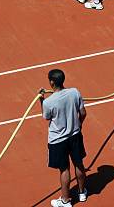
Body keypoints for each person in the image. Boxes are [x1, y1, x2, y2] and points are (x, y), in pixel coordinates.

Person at [39, 69, 88, 207]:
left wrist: (41, 100)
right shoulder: (75, 92)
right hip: (75, 135)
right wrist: (79, 126)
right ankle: (82, 192)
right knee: (78, 163)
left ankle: (65, 201)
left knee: (64, 169)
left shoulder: (48, 102)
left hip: (58, 141)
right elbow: (83, 113)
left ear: (51, 82)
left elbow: (46, 116)